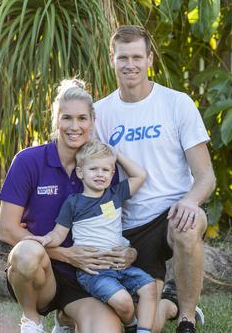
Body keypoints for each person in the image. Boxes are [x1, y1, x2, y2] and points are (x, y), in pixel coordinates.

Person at [94, 25, 216, 333]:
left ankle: (187, 319)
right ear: (112, 59)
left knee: (187, 227)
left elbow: (206, 176)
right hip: (127, 225)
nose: (130, 65)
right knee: (139, 323)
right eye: (123, 57)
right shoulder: (99, 114)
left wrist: (190, 201)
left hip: (172, 211)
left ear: (150, 59)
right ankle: (170, 303)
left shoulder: (176, 104)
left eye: (137, 56)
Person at [0, 79, 136, 333]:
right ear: (56, 120)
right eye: (67, 118)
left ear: (92, 122)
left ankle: (65, 319)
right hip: (42, 274)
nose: (75, 127)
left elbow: (114, 220)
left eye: (82, 118)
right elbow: (7, 230)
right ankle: (31, 321)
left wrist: (128, 252)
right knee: (26, 253)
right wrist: (64, 254)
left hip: (89, 279)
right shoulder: (28, 161)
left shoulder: (103, 168)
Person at [24, 140, 157, 333]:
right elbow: (59, 234)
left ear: (112, 174)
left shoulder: (115, 194)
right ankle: (131, 324)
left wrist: (115, 154)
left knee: (150, 287)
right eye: (93, 169)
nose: (100, 174)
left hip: (121, 266)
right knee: (124, 303)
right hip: (93, 272)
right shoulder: (74, 203)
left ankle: (143, 330)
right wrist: (46, 240)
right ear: (80, 173)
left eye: (106, 170)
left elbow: (140, 175)